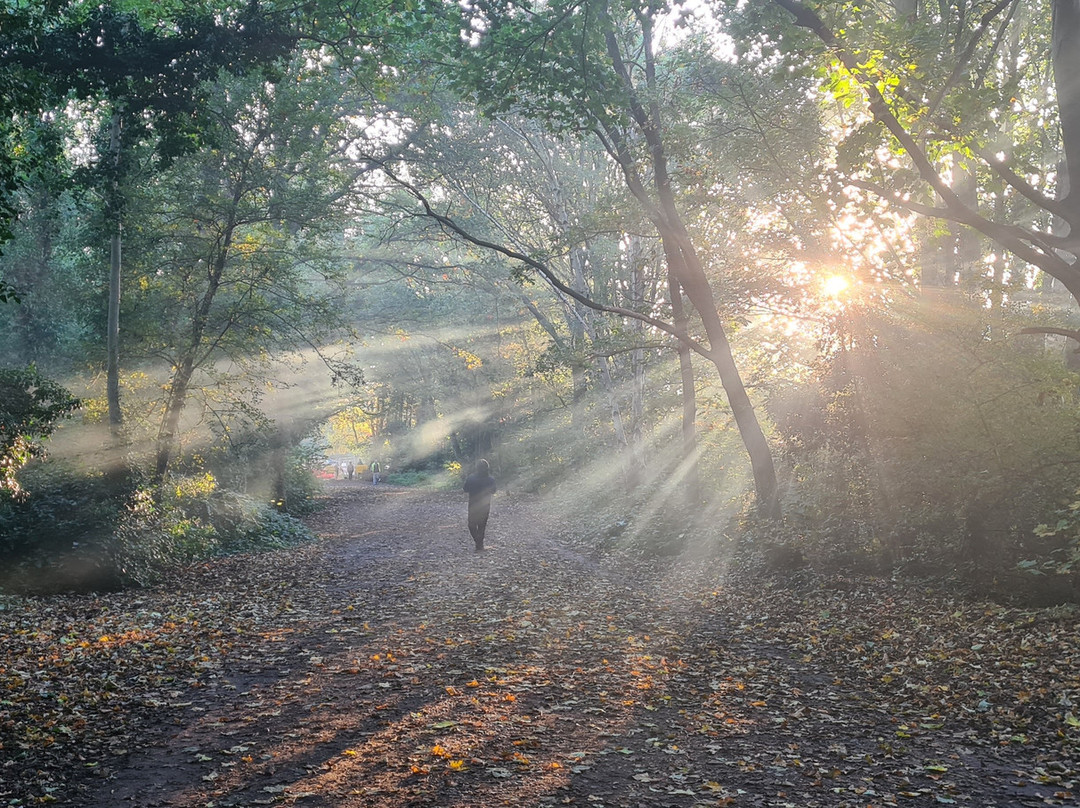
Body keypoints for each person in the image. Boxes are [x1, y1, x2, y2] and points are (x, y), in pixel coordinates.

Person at [462, 459, 497, 552]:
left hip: (473, 504)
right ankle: (479, 545)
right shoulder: (490, 479)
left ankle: (478, 543)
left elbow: (465, 489)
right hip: (485, 505)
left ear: (476, 468)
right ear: (487, 468)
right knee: (482, 525)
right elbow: (494, 491)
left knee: (471, 524)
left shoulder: (471, 477)